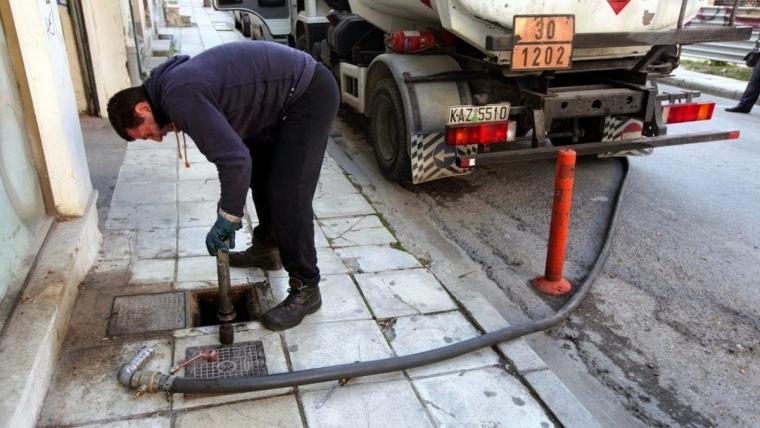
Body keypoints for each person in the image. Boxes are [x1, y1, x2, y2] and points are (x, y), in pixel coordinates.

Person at [107, 40, 340, 330]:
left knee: (288, 195)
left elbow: (234, 160)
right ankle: (269, 248)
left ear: (143, 108)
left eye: (146, 134)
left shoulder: (179, 96)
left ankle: (307, 287)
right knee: (262, 176)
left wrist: (228, 217)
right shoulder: (170, 90)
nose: (156, 138)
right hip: (278, 102)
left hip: (308, 94)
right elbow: (240, 158)